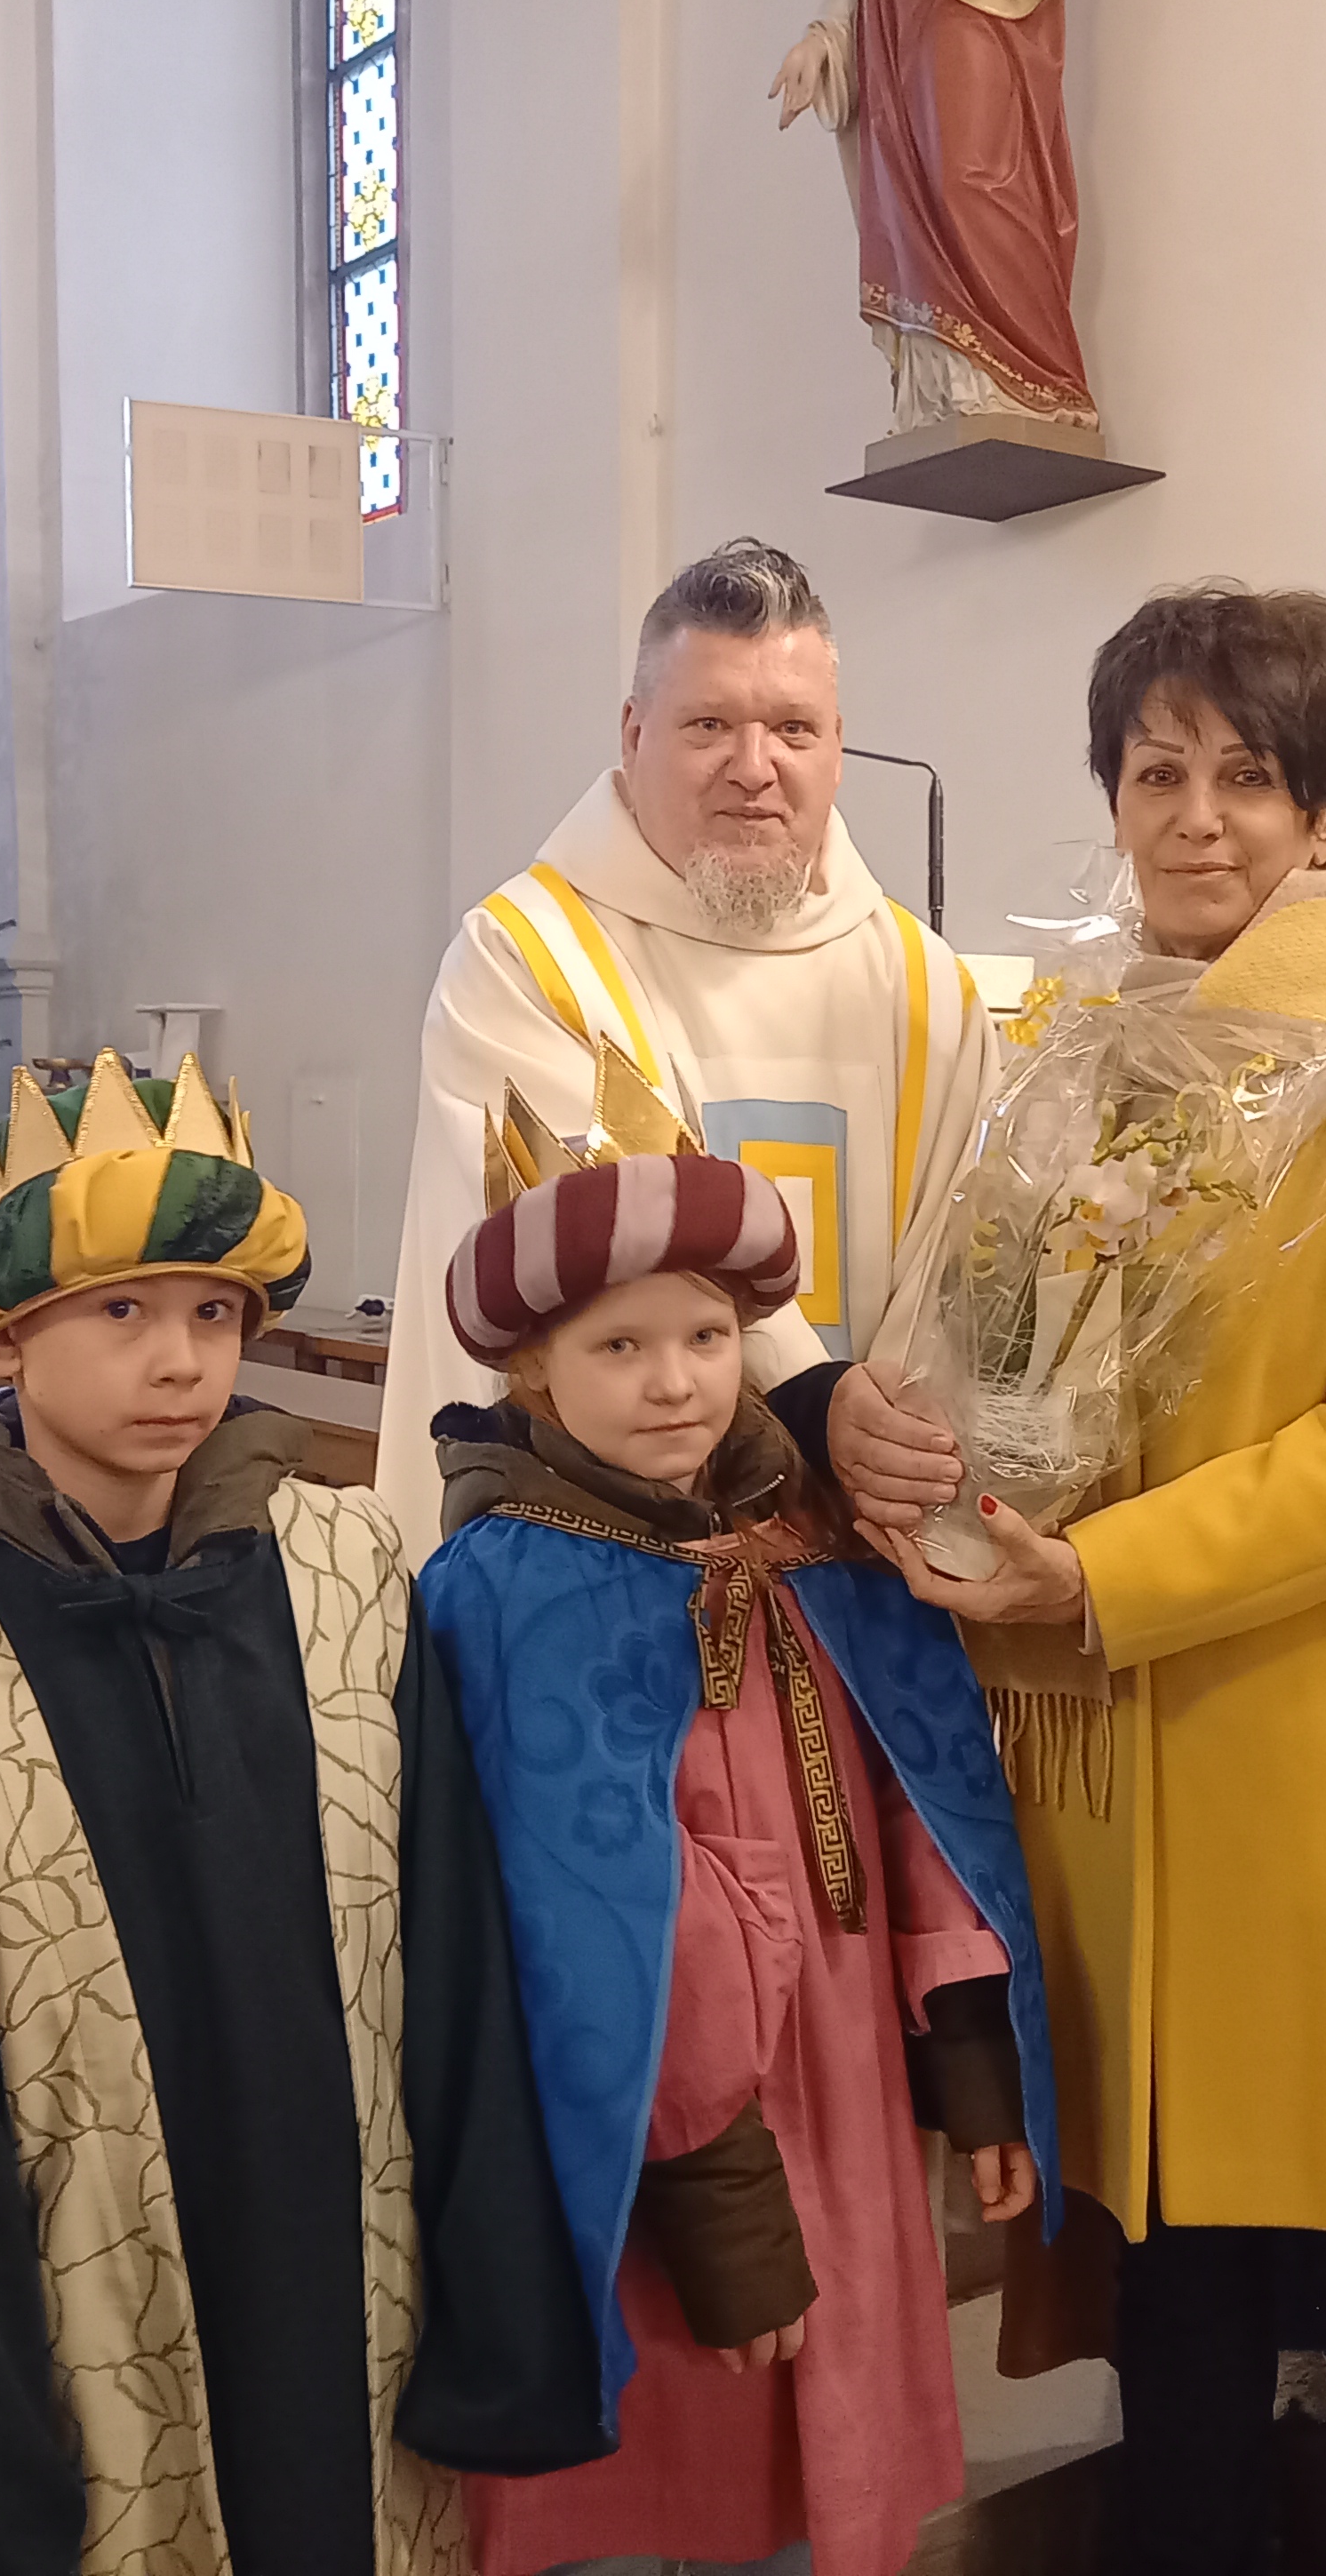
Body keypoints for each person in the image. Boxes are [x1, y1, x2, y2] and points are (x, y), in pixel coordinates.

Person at [879, 584, 1326, 2576]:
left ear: (1323, 809)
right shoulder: (1077, 1054)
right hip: (1123, 1783)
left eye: (1247, 776)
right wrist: (934, 1458)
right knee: (1172, 2297)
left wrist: (1088, 1574)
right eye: (1155, 772)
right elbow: (1010, 1351)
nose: (1195, 818)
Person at [0, 1052, 605, 2576]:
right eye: (121, 1313)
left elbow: (452, 1940)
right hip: (85, 2285)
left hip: (353, 2259)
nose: (180, 1363)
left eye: (215, 1315)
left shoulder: (349, 1575)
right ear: (7, 1334)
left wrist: (493, 2293)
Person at [415, 1069, 1059, 2576]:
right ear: (531, 1369)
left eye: (706, 1338)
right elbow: (587, 1922)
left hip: (848, 2078)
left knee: (825, 2481)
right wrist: (716, 2197)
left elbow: (921, 1800)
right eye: (619, 1346)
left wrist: (971, 2056)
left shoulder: (809, 1541)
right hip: (663, 2129)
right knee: (682, 2455)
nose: (676, 1384)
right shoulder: (512, 1587)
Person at [376, 537, 993, 1564]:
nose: (754, 768)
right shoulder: (529, 957)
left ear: (838, 746)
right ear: (634, 734)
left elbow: (958, 1275)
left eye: (792, 728)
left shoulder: (921, 984)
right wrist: (816, 1405)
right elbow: (606, 1241)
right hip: (608, 1550)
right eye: (709, 725)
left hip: (873, 1547)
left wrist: (891, 1450)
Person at [771, 0, 1097, 435]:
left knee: (973, 180)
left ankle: (1024, 381)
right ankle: (950, 383)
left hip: (983, 4)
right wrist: (822, 39)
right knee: (912, 195)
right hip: (906, 22)